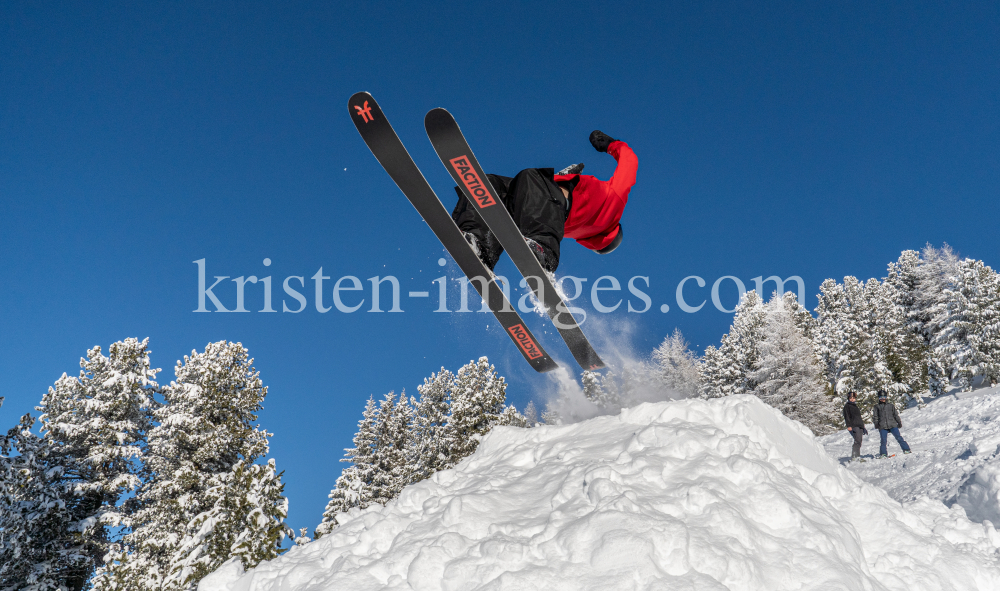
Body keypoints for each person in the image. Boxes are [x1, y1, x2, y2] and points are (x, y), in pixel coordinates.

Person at [452, 130, 638, 273]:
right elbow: (549, 210)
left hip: (544, 203)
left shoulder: (616, 201)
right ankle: (481, 248)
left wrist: (611, 145)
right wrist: (565, 178)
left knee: (493, 185)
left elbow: (630, 160)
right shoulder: (575, 233)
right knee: (495, 185)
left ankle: (487, 242)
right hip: (538, 209)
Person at [872, 390, 911, 458]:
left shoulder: (890, 406)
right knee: (883, 441)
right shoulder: (876, 406)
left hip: (892, 424)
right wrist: (876, 424)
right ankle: (883, 454)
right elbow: (875, 416)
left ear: (886, 397)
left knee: (899, 437)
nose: (882, 399)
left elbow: (895, 415)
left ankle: (906, 449)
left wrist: (899, 422)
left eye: (884, 397)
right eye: (881, 397)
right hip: (882, 426)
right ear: (878, 398)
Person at [843, 391, 867, 462]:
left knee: (859, 441)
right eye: (851, 398)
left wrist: (863, 427)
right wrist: (849, 426)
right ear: (848, 398)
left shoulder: (855, 406)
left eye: (853, 398)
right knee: (857, 441)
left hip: (859, 426)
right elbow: (846, 417)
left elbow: (859, 417)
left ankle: (857, 456)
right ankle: (854, 456)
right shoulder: (847, 406)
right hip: (854, 425)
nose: (852, 399)